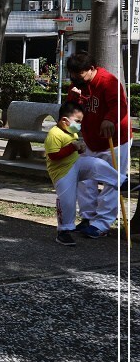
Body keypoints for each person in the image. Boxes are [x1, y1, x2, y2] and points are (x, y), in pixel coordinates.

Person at [66, 52, 131, 238]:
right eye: (73, 75)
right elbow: (71, 109)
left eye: (80, 75)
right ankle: (88, 217)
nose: (76, 79)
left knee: (112, 181)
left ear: (92, 69)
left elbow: (119, 105)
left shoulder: (108, 81)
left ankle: (102, 223)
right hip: (89, 140)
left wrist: (110, 119)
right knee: (85, 179)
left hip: (115, 140)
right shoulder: (77, 85)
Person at [45, 101, 119, 245]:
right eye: (78, 121)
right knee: (67, 201)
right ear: (65, 121)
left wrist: (79, 149)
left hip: (75, 164)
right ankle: (64, 231)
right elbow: (54, 156)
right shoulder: (54, 134)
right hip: (62, 173)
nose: (79, 125)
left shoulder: (71, 132)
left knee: (95, 164)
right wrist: (73, 148)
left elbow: (73, 150)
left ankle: (120, 181)